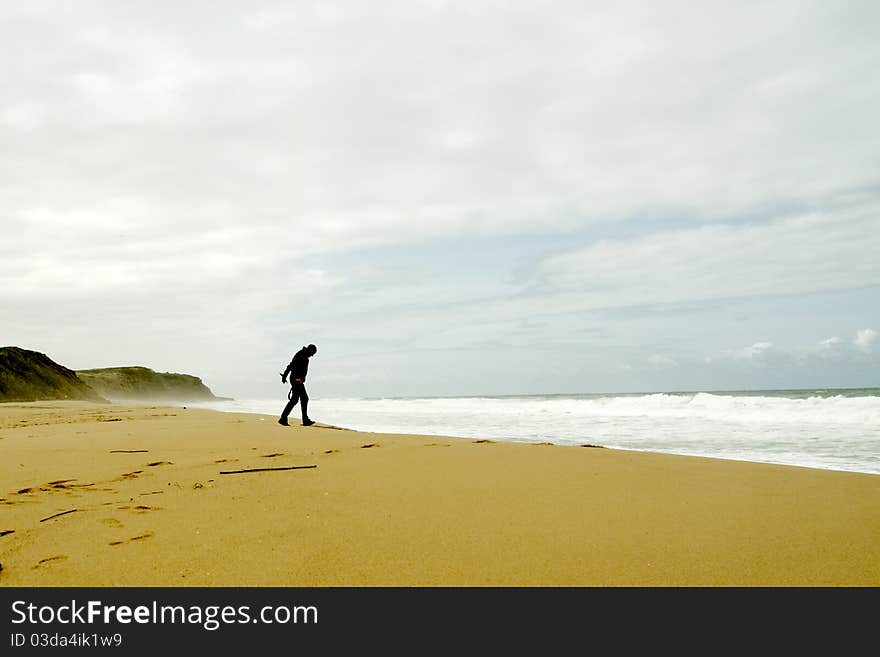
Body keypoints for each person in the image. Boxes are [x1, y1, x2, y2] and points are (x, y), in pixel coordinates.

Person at [278, 344, 317, 427]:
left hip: (298, 380)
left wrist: (286, 377)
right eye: (313, 353)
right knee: (304, 398)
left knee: (295, 399)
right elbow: (291, 365)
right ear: (310, 350)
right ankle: (304, 420)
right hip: (296, 380)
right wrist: (286, 376)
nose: (312, 355)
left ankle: (284, 418)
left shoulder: (305, 356)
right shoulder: (300, 354)